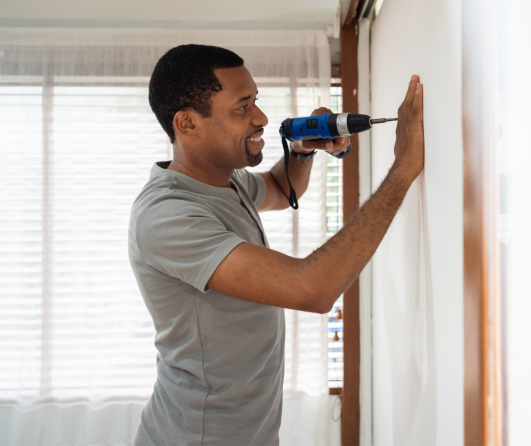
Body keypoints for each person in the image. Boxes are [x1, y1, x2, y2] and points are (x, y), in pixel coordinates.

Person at [128, 44, 424, 445]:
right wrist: (403, 169)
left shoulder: (223, 180)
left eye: (257, 101)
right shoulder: (168, 215)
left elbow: (280, 190)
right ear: (187, 123)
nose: (262, 118)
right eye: (242, 107)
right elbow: (312, 288)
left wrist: (301, 150)